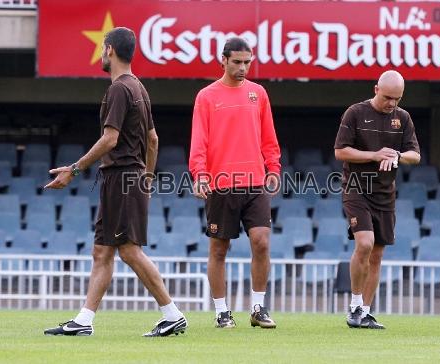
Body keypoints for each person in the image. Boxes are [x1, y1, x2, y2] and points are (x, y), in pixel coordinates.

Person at [43, 27, 187, 337]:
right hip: (125, 180)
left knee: (129, 252)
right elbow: (152, 140)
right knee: (102, 252)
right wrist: (146, 180)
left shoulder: (119, 90)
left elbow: (110, 139)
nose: (100, 54)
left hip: (121, 177)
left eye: (102, 49)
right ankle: (84, 320)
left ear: (109, 50)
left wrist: (75, 168)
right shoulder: (139, 88)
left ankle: (172, 313)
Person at [189, 37, 281, 329]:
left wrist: (274, 168)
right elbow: (199, 140)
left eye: (247, 62)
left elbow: (269, 136)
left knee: (262, 242)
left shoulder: (259, 93)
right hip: (220, 183)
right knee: (219, 249)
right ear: (224, 60)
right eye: (237, 62)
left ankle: (258, 308)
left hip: (255, 182)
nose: (243, 68)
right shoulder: (206, 96)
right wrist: (199, 173)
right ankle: (221, 312)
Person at [334, 70, 420, 329]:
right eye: (387, 97)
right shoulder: (355, 113)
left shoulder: (403, 118)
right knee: (365, 243)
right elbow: (340, 151)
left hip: (385, 193)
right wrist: (375, 155)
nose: (392, 103)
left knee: (377, 254)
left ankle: (366, 312)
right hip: (357, 187)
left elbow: (415, 155)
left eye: (397, 99)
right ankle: (355, 307)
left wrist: (397, 155)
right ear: (375, 90)